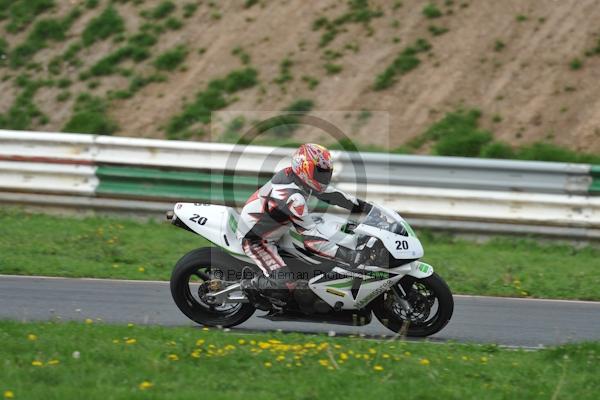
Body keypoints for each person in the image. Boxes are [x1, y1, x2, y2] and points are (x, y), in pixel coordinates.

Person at [236, 143, 371, 308]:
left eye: (327, 173)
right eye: (320, 173)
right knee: (285, 286)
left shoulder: (297, 177)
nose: (324, 177)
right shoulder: (293, 198)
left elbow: (334, 196)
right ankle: (251, 286)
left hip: (279, 226)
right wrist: (348, 255)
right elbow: (312, 240)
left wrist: (367, 209)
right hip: (256, 239)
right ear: (305, 169)